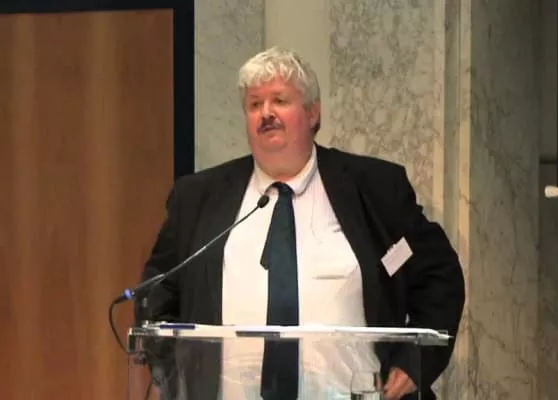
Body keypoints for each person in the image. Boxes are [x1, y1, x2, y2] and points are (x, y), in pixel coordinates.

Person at [136, 46, 465, 400]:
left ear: (312, 112)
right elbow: (156, 294)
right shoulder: (198, 197)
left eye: (279, 100)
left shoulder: (375, 188)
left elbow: (438, 275)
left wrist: (415, 362)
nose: (266, 113)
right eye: (255, 104)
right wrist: (173, 377)